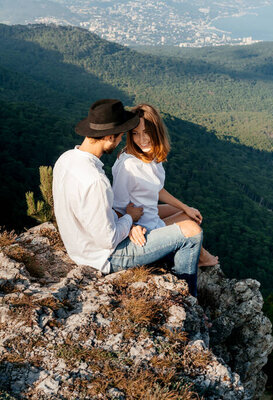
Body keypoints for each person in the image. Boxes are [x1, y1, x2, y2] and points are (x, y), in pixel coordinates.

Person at [52, 99, 204, 296]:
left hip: (80, 247)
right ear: (109, 137)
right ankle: (188, 298)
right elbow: (109, 239)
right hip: (104, 257)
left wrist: (128, 220)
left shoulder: (66, 159)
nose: (123, 140)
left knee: (183, 217)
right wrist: (130, 219)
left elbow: (94, 216)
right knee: (192, 232)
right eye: (121, 135)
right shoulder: (96, 180)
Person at [112, 103, 219, 267]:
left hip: (147, 215)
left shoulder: (150, 155)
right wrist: (132, 227)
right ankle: (202, 259)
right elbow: (115, 207)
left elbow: (157, 189)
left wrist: (185, 206)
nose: (142, 139)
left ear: (156, 131)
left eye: (147, 132)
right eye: (135, 134)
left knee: (189, 211)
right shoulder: (129, 165)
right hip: (143, 228)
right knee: (191, 224)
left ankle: (200, 255)